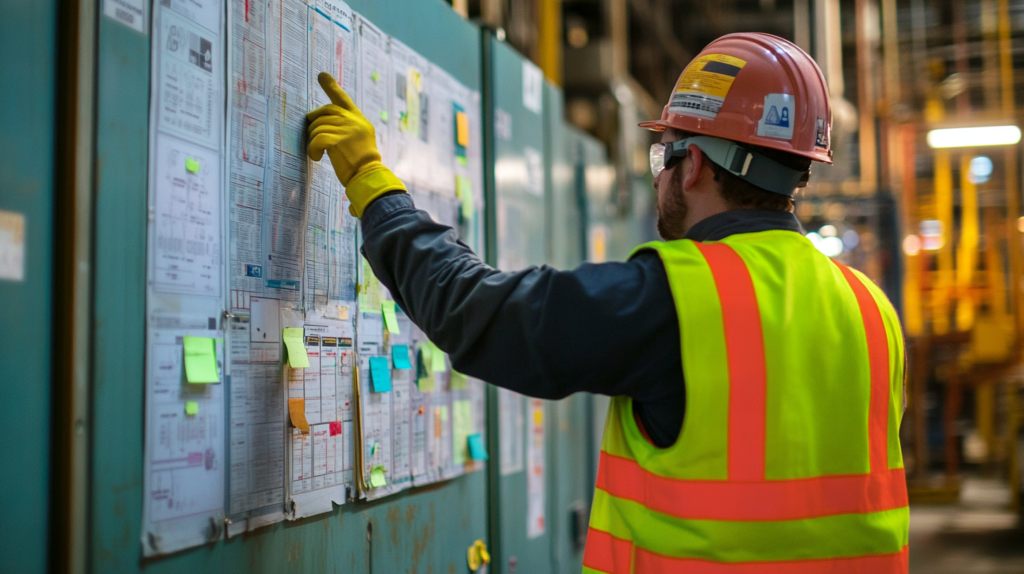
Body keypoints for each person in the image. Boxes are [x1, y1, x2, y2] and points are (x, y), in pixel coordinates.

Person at [307, 32, 908, 573]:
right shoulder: (871, 311)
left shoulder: (677, 298)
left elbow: (475, 313)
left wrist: (372, 182)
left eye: (662, 155)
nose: (657, 177)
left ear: (691, 163)